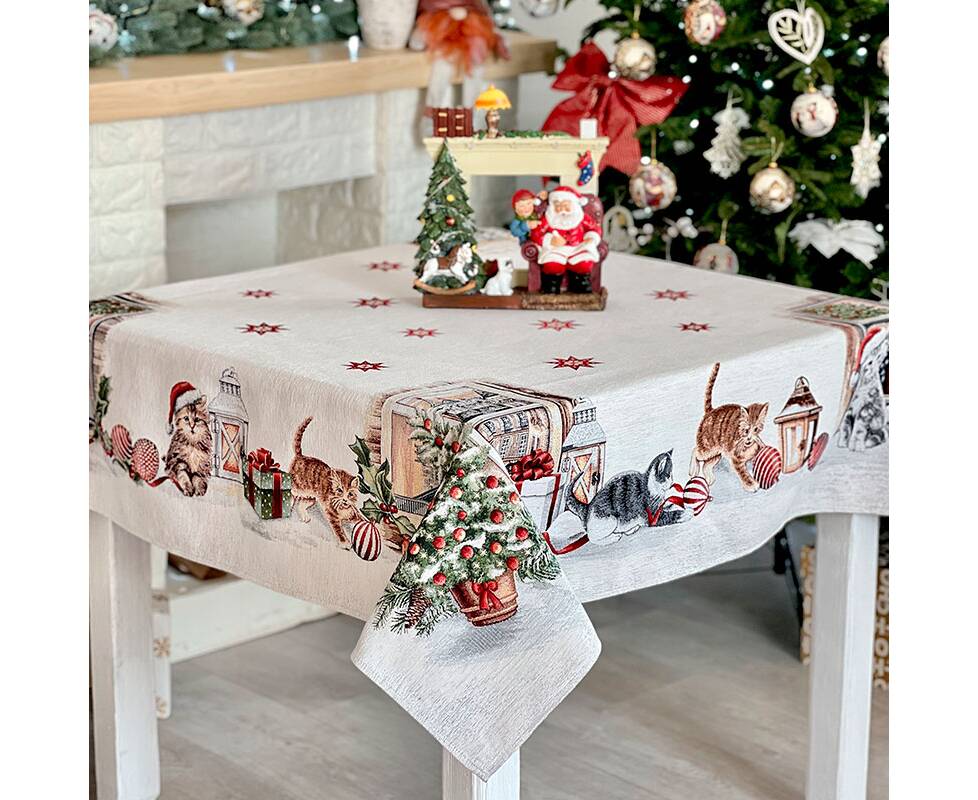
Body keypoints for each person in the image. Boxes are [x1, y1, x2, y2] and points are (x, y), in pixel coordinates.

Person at [530, 185, 602, 294]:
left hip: (577, 247)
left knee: (583, 262)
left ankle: (580, 284)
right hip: (556, 249)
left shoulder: (581, 218)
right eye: (558, 206)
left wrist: (591, 237)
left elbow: (594, 228)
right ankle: (552, 286)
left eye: (566, 205)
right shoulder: (548, 219)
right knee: (553, 264)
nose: (562, 209)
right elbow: (536, 234)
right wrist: (550, 240)